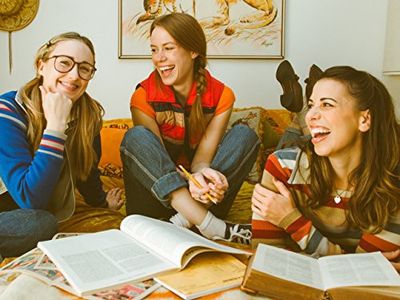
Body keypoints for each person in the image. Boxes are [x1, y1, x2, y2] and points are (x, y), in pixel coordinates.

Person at [121, 13, 260, 244]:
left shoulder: (223, 96)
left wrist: (202, 180)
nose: (159, 58)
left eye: (168, 48)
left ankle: (183, 221)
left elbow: (201, 161)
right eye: (154, 50)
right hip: (155, 203)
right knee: (135, 137)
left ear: (193, 51)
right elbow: (158, 163)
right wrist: (189, 188)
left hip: (204, 198)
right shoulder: (142, 97)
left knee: (245, 135)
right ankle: (211, 226)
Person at [251, 66, 400, 270]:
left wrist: (293, 222)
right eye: (310, 105)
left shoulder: (392, 181)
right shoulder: (283, 166)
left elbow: (367, 278)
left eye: (327, 105)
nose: (311, 116)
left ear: (364, 119)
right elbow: (270, 264)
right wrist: (356, 264)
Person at [0, 32, 124, 259]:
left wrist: (102, 203)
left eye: (85, 68)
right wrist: (56, 127)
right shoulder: (8, 110)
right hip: (10, 210)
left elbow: (87, 170)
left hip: (32, 214)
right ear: (41, 66)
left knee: (41, 221)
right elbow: (29, 199)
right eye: (64, 63)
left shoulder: (89, 116)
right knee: (41, 223)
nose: (74, 75)